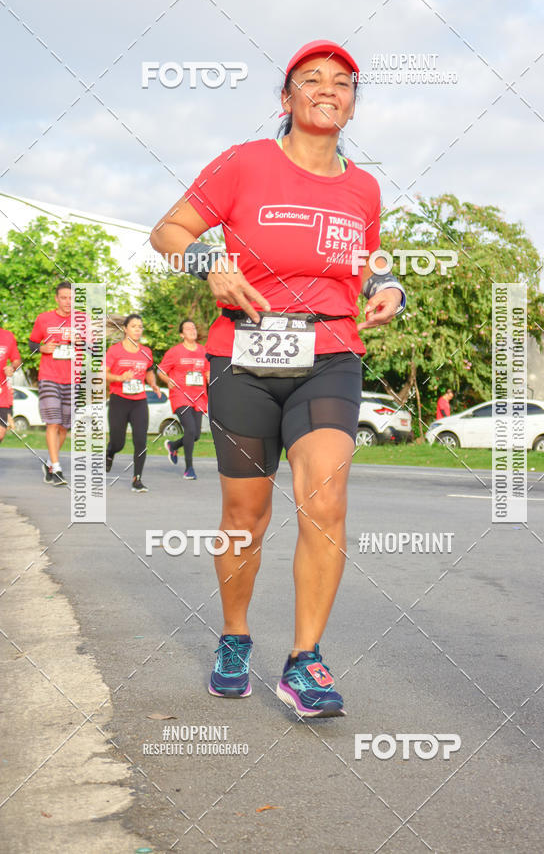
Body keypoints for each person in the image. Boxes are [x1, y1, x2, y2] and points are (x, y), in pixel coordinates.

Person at [149, 39, 405, 717]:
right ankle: (234, 636)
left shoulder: (363, 187)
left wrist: (389, 287)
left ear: (353, 103)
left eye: (343, 82)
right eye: (312, 79)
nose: (329, 89)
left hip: (330, 353)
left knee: (324, 501)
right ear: (286, 98)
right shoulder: (245, 163)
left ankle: (305, 660)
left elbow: (367, 260)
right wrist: (210, 264)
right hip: (245, 357)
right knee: (245, 515)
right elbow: (168, 231)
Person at [104, 314, 163, 493]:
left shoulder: (146, 351)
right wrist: (120, 377)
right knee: (118, 442)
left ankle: (137, 479)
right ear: (125, 329)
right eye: (134, 326)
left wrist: (152, 384)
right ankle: (110, 452)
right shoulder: (114, 351)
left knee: (140, 440)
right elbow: (103, 374)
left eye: (140, 326)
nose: (138, 329)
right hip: (119, 400)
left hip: (139, 401)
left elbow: (149, 371)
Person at [29, 282, 79, 486]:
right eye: (64, 297)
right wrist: (43, 348)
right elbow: (32, 344)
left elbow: (92, 348)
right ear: (56, 299)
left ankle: (50, 462)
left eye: (71, 298)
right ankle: (57, 469)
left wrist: (80, 342)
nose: (68, 301)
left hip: (72, 378)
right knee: (53, 422)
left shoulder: (82, 321)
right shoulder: (44, 318)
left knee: (64, 427)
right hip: (49, 376)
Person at [158, 319, 210, 480]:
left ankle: (173, 446)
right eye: (188, 329)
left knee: (195, 435)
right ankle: (189, 469)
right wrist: (167, 380)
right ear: (181, 334)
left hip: (199, 396)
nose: (192, 330)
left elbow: (207, 372)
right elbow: (161, 370)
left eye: (193, 327)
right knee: (190, 429)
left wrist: (213, 382)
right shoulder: (175, 352)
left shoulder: (204, 351)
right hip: (180, 395)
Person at [0, 326, 21, 443]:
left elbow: (17, 360)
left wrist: (12, 367)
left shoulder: (7, 336)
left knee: (1, 432)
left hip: (1, 392)